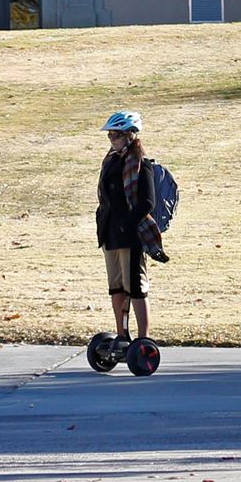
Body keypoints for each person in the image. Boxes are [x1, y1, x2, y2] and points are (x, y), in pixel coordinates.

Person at [97, 110, 166, 346]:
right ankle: (122, 335)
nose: (111, 139)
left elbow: (147, 202)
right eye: (110, 135)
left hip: (131, 236)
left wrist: (128, 223)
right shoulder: (110, 161)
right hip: (110, 234)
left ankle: (143, 340)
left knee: (135, 287)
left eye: (115, 135)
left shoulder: (141, 164)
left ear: (129, 135)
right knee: (116, 288)